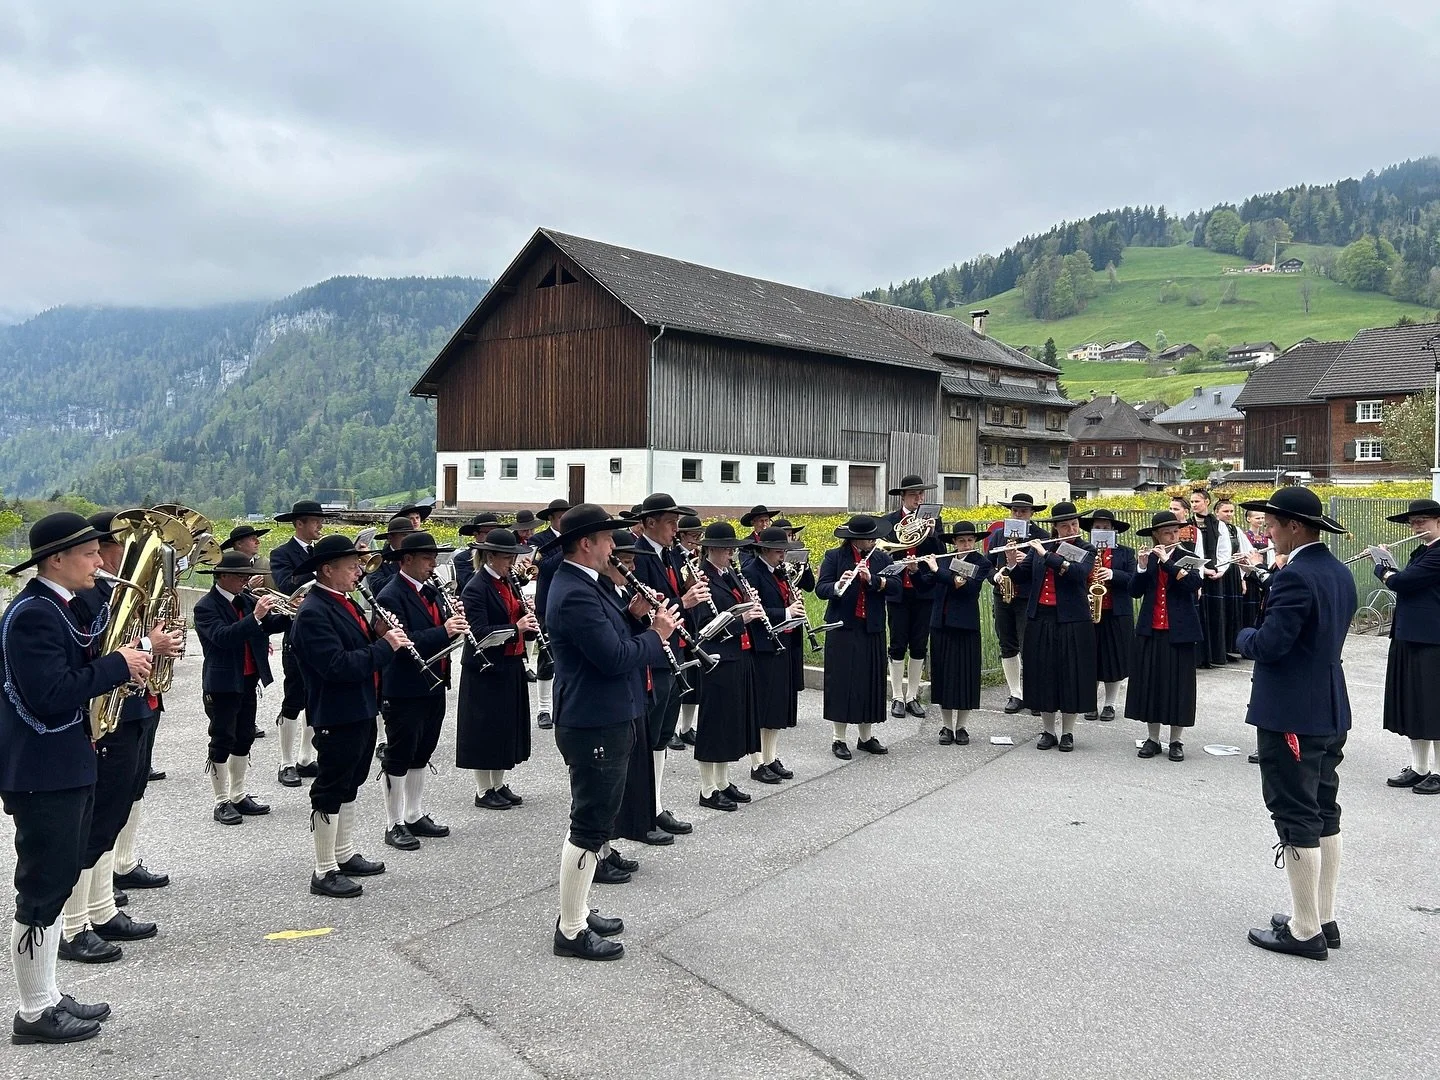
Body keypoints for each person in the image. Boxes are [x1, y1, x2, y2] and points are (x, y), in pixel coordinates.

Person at [0, 512, 148, 1043]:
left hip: (65, 763)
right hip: (43, 770)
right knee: (41, 889)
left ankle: (48, 995)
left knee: (58, 882)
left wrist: (137, 650)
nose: (99, 562)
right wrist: (122, 664)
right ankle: (33, 1012)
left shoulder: (57, 606)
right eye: (89, 554)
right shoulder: (34, 614)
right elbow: (52, 693)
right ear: (55, 559)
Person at [542, 504, 677, 961]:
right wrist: (656, 633)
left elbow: (613, 635)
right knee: (589, 823)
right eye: (607, 541)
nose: (614, 550)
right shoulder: (574, 592)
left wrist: (635, 614)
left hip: (605, 714)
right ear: (587, 543)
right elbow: (613, 657)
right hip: (593, 719)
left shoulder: (584, 584)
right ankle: (571, 928)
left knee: (595, 818)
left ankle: (576, 905)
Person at [1236, 488, 1356, 961]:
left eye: (1272, 523)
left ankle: (1305, 930)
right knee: (1324, 808)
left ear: (1295, 526)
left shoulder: (1296, 577)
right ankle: (1323, 917)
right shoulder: (1338, 572)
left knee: (1294, 812)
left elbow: (1271, 645)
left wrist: (1244, 634)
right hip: (1328, 704)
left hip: (1292, 713)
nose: (1267, 530)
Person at [58, 514, 184, 965]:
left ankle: (101, 907)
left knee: (117, 808)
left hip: (139, 707)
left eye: (101, 551)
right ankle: (75, 925)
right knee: (96, 820)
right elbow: (99, 654)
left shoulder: (117, 594)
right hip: (111, 714)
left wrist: (161, 643)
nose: (102, 561)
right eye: (96, 552)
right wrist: (148, 644)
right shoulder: (87, 599)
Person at [289, 534, 411, 898]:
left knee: (352, 780)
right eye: (351, 566)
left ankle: (343, 854)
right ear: (327, 570)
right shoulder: (313, 612)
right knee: (330, 786)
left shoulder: (345, 601)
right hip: (335, 711)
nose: (359, 571)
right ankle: (323, 869)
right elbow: (337, 666)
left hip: (360, 706)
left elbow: (356, 645)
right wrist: (385, 646)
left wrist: (378, 631)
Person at [375, 532, 468, 849]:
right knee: (399, 754)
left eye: (435, 558)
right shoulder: (390, 596)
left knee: (423, 749)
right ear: (407, 560)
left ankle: (413, 814)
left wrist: (454, 622)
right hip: (405, 685)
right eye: (428, 559)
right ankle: (393, 822)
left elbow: (440, 634)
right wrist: (443, 630)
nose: (433, 564)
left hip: (434, 682)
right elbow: (404, 643)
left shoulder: (432, 591)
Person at [193, 551, 292, 825]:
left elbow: (270, 625)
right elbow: (223, 638)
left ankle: (238, 794)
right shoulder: (206, 606)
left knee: (244, 736)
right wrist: (256, 617)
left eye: (246, 577)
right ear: (222, 576)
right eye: (239, 577)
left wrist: (294, 610)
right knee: (222, 738)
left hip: (248, 679)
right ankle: (220, 800)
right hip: (223, 682)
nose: (244, 582)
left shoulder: (246, 599)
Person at [630, 493, 706, 838]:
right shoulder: (638, 556)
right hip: (652, 654)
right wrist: (683, 600)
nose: (677, 529)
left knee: (661, 735)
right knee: (646, 735)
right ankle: (643, 810)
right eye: (670, 522)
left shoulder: (672, 554)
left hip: (675, 649)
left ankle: (656, 804)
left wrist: (693, 594)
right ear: (649, 523)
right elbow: (645, 605)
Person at [598, 529, 666, 872]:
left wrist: (640, 614)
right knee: (603, 786)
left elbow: (627, 632)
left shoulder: (617, 591)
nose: (630, 568)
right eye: (623, 561)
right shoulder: (598, 592)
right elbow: (615, 647)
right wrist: (653, 630)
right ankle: (598, 850)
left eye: (631, 561)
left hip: (633, 687)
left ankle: (607, 846)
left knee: (624, 774)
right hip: (607, 699)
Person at [457, 528, 536, 810]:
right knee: (485, 728)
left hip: (510, 662)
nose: (511, 564)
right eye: (506, 558)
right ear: (489, 556)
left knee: (505, 726)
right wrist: (516, 627)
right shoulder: (476, 588)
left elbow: (517, 619)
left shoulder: (509, 582)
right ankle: (483, 789)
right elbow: (478, 632)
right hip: (485, 667)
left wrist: (527, 622)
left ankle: (498, 783)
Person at [693, 522, 763, 810]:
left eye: (732, 549)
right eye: (725, 549)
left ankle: (722, 782)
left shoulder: (730, 573)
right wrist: (741, 619)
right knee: (714, 723)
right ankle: (707, 789)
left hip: (737, 653)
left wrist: (749, 603)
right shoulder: (702, 579)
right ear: (711, 549)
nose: (730, 554)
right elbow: (702, 623)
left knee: (730, 722)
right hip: (715, 657)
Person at [816, 515, 899, 759]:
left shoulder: (882, 558)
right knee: (841, 681)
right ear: (855, 540)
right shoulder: (835, 557)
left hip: (871, 626)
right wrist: (838, 586)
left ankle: (865, 736)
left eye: (873, 538)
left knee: (869, 680)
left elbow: (894, 587)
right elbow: (821, 589)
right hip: (842, 626)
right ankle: (838, 738)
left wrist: (873, 580)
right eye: (868, 539)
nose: (872, 542)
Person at [1016, 502, 1096, 753]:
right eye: (1065, 526)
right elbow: (1021, 576)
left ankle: (1068, 732)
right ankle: (1048, 731)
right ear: (1056, 529)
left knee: (1070, 675)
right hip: (1041, 617)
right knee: (1044, 674)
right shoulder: (1044, 547)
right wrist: (1011, 560)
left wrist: (1046, 556)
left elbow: (1078, 573)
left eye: (1074, 524)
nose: (1071, 528)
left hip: (1072, 619)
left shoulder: (1085, 548)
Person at [1124, 512, 1204, 761]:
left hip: (1179, 632)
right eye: (1167, 532)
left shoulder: (1187, 557)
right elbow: (1135, 592)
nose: (1172, 536)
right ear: (1156, 535)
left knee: (1178, 686)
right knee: (1152, 684)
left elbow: (1192, 585)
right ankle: (1153, 738)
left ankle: (1176, 740)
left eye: (1175, 531)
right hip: (1151, 630)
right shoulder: (1150, 559)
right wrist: (1141, 566)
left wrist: (1168, 563)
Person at [1374, 499, 1440, 795]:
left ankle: (1439, 772)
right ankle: (1419, 767)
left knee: (1434, 706)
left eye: (1423, 520)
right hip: (1409, 635)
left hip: (1432, 639)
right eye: (1413, 522)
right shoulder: (1423, 551)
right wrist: (1387, 560)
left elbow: (1403, 581)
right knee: (1415, 705)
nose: (1416, 527)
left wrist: (1382, 566)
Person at [269, 500, 333, 787]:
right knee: (294, 696)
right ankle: (285, 761)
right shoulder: (282, 553)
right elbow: (286, 584)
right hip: (297, 631)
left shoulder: (322, 551)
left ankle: (307, 757)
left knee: (316, 696)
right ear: (299, 524)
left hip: (324, 630)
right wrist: (320, 568)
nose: (320, 526)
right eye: (315, 521)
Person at [743, 527, 807, 781]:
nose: (783, 556)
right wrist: (786, 612)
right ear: (765, 550)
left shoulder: (778, 572)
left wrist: (793, 603)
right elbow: (755, 611)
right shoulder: (751, 573)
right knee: (763, 704)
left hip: (784, 642)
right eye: (780, 551)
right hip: (764, 646)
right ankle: (757, 762)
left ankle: (770, 757)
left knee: (777, 705)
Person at [882, 475, 944, 719]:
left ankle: (912, 696)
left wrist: (931, 535)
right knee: (897, 643)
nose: (919, 499)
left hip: (923, 589)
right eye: (913, 495)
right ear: (903, 497)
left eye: (921, 495)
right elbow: (884, 555)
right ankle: (897, 695)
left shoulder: (933, 522)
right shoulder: (889, 522)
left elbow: (940, 554)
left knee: (919, 644)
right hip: (898, 589)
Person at [983, 494, 1049, 714]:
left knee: (1029, 645)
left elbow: (1045, 569)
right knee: (1007, 643)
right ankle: (1015, 693)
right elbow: (987, 565)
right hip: (1002, 595)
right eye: (1015, 511)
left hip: (1027, 597)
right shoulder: (1000, 535)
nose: (1019, 515)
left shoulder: (1041, 536)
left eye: (1023, 511)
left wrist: (1026, 561)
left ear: (1031, 513)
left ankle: (1034, 693)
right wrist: (995, 576)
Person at [929, 522, 992, 746]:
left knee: (965, 676)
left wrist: (938, 571)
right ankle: (946, 726)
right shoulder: (944, 559)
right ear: (954, 543)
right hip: (941, 624)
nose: (966, 544)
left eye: (970, 540)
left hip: (965, 625)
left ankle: (961, 726)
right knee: (944, 675)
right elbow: (926, 584)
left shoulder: (980, 562)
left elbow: (967, 587)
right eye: (961, 541)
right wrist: (918, 570)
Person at [1078, 508, 1136, 721]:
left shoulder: (1126, 553)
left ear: (1113, 530)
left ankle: (1110, 704)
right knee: (1090, 657)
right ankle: (1090, 702)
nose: (1101, 530)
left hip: (1116, 612)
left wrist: (1113, 573)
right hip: (1089, 610)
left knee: (1114, 659)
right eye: (1097, 527)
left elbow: (1133, 580)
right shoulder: (1084, 552)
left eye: (1105, 527)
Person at [672, 514, 707, 748]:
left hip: (695, 621)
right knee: (677, 679)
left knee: (694, 679)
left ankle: (686, 727)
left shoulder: (696, 557)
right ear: (681, 536)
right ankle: (672, 728)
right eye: (693, 536)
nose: (697, 541)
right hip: (677, 620)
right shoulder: (674, 556)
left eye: (699, 536)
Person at [1189, 487, 1229, 669]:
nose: (1194, 505)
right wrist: (1201, 569)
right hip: (1197, 572)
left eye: (1197, 501)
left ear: (1207, 502)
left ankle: (1214, 655)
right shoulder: (1188, 526)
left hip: (1215, 573)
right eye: (1191, 502)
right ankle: (1198, 656)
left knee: (1214, 614)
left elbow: (1224, 548)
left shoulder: (1218, 524)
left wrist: (1221, 568)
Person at [452, 512, 505, 593]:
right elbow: (469, 584)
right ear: (476, 534)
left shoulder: (501, 555)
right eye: (489, 533)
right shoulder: (463, 558)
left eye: (495, 532)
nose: (493, 536)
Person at [365, 516, 416, 595]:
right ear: (390, 538)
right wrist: (405, 574)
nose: (409, 539)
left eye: (411, 536)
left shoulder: (416, 556)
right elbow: (377, 587)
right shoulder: (377, 560)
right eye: (404, 535)